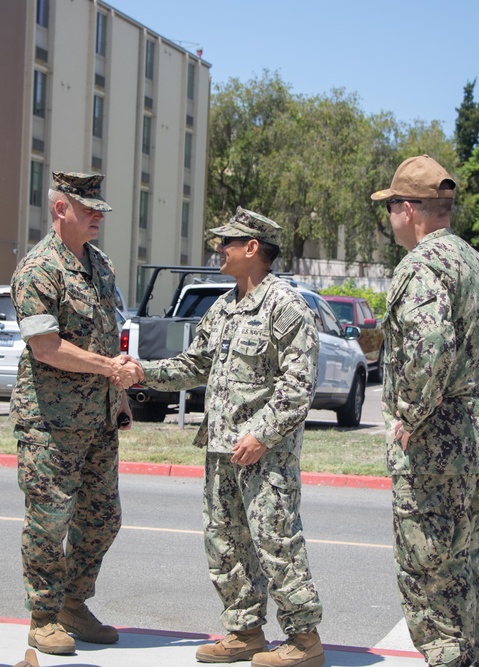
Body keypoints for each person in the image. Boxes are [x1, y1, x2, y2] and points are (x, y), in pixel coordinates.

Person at [138, 207, 326, 667]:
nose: (218, 250)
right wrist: (141, 372)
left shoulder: (285, 305)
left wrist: (261, 435)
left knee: (276, 542)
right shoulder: (224, 306)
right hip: (221, 448)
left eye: (227, 242)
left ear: (253, 248)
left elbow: (297, 386)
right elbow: (192, 365)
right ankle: (244, 631)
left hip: (265, 454)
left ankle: (305, 640)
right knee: (225, 543)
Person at [372, 155, 479, 667]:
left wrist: (412, 417)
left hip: (434, 449)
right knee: (463, 567)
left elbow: (431, 344)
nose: (390, 217)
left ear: (410, 209)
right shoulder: (478, 266)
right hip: (476, 442)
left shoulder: (422, 267)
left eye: (392, 206)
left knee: (428, 576)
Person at [11, 171, 140, 657]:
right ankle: (43, 616)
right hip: (51, 422)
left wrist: (119, 396)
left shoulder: (100, 265)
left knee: (103, 518)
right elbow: (45, 347)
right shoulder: (38, 269)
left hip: (99, 421)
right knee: (49, 520)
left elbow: (109, 331)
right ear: (59, 209)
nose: (97, 218)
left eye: (100, 210)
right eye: (88, 210)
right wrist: (110, 368)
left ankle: (73, 604)